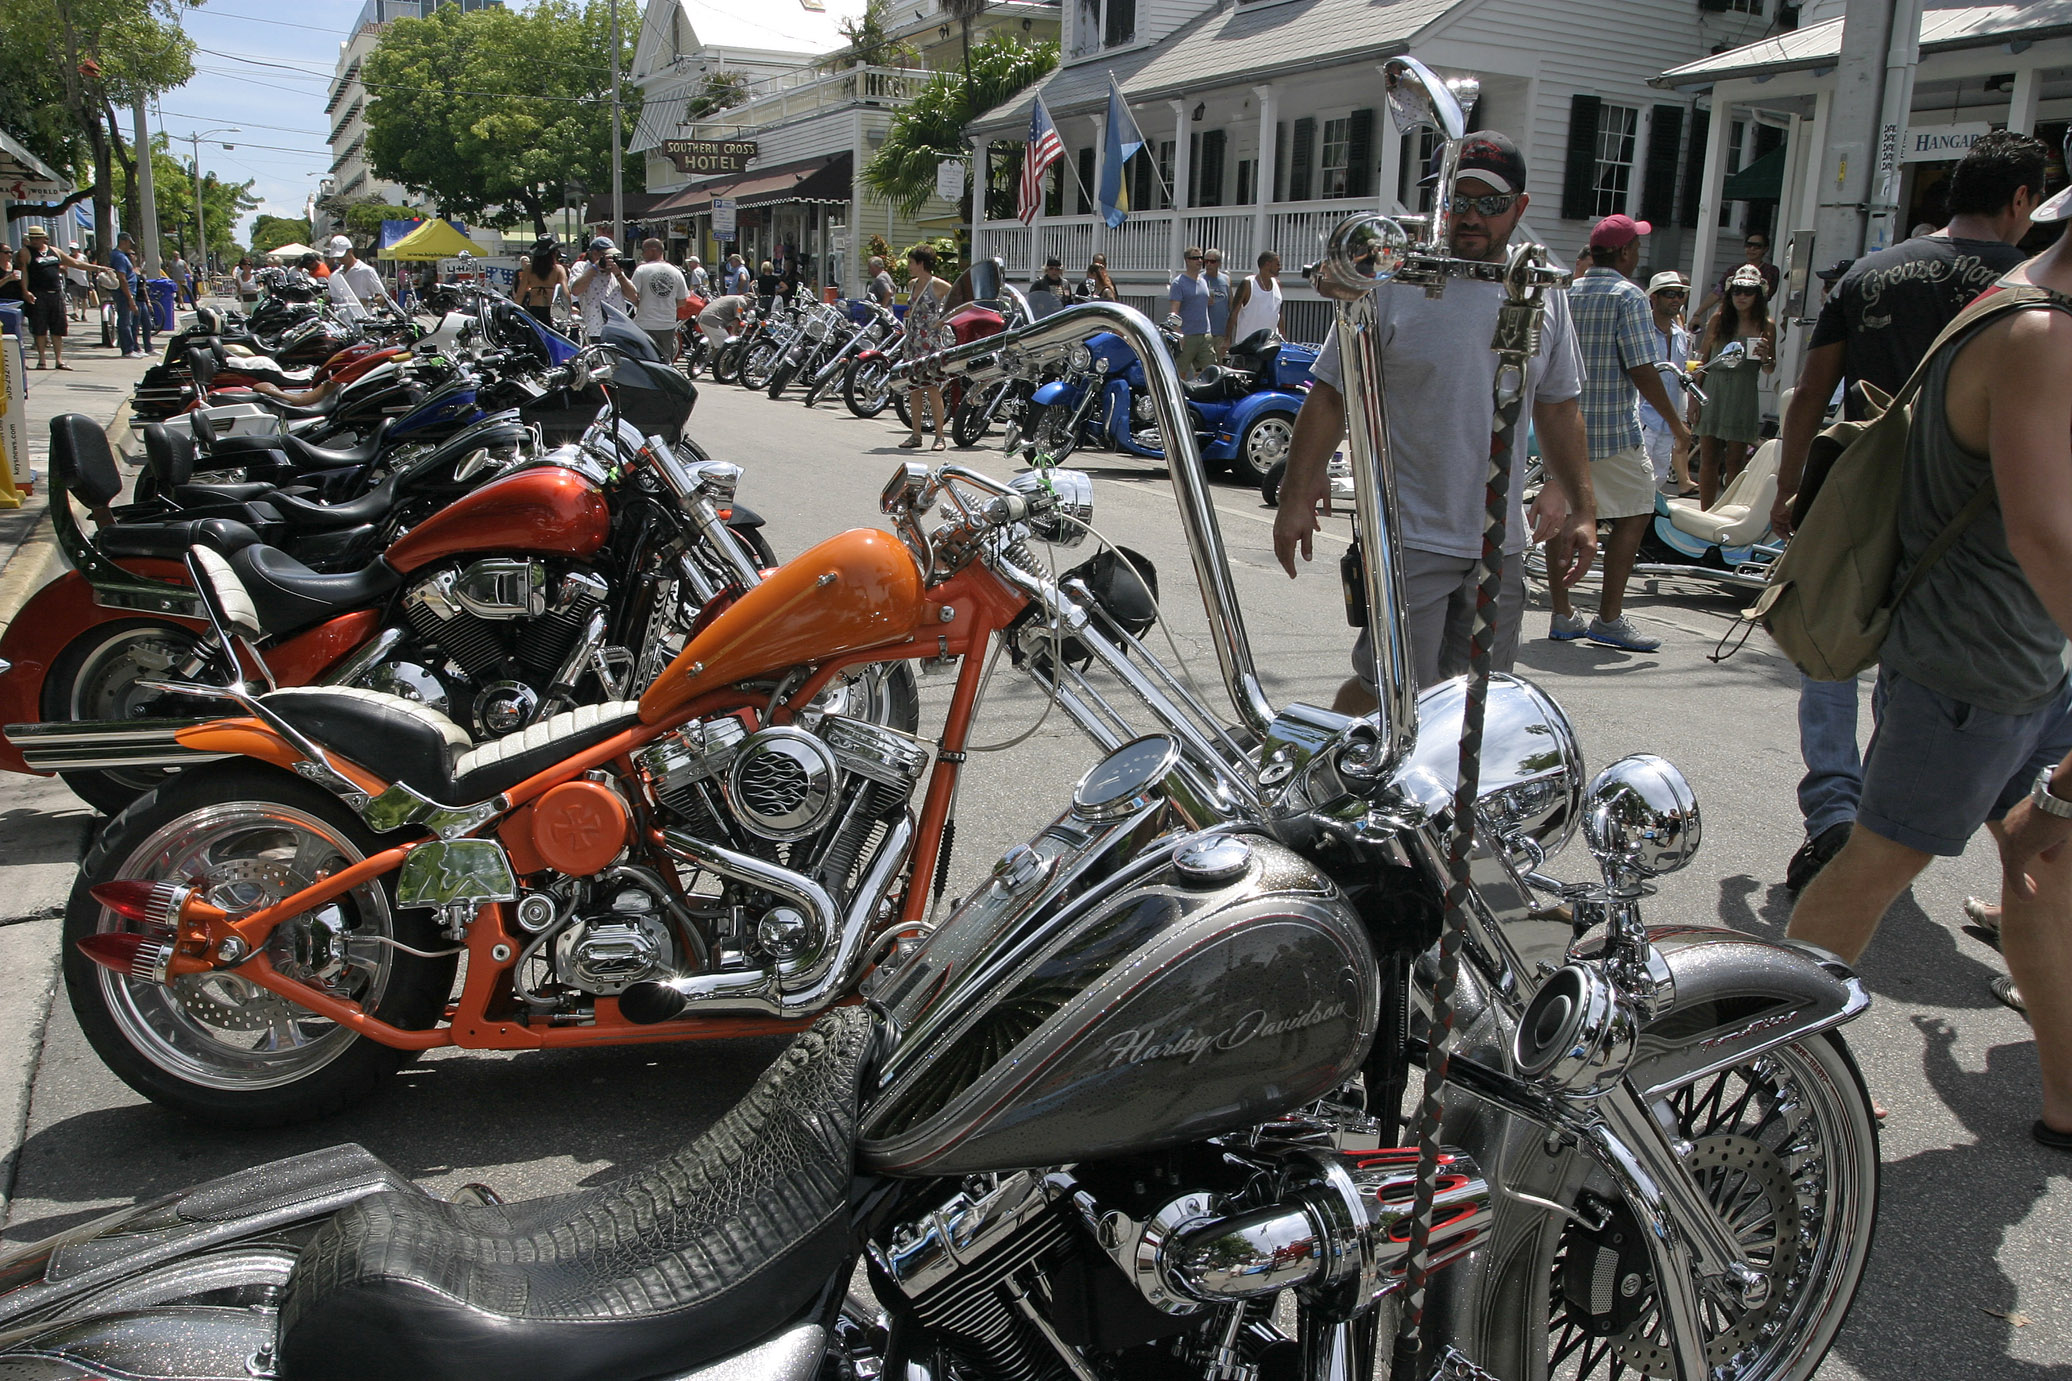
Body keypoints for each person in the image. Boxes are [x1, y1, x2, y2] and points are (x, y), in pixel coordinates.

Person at [1785, 202, 2072, 1153]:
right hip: (1975, 663)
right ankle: (1773, 1069)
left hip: (2028, 662)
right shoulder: (2033, 330)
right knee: (1873, 865)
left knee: (2041, 861)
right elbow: (2041, 529)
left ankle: (2066, 1098)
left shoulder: (2031, 313)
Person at [1770, 128, 2044, 895]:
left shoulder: (1869, 272)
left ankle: (1834, 809)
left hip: (1859, 499)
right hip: (1967, 521)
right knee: (1915, 675)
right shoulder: (2029, 289)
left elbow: (1809, 392)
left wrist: (1791, 487)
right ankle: (1885, 820)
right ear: (2020, 199)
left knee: (1826, 646)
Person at [1272, 130, 1597, 700]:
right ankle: (1336, 785)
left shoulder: (1541, 289)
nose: (1470, 217)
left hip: (1499, 541)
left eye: (1489, 204)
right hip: (1407, 533)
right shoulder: (1391, 280)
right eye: (1457, 201)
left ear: (1519, 207)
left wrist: (1580, 508)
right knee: (1388, 697)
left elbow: (1558, 404)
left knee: (1479, 703)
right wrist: (1295, 495)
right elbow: (1331, 393)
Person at [1547, 213, 1695, 653]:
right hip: (1612, 429)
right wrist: (1675, 422)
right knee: (1635, 513)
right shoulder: (1628, 297)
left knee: (1564, 516)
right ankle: (1608, 617)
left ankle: (1562, 612)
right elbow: (1642, 368)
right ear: (1627, 251)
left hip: (1562, 427)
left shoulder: (1566, 292)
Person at [1692, 264, 1775, 507]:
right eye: (1737, 290)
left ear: (1758, 295)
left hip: (1743, 391)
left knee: (1736, 460)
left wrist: (1766, 355)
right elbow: (1703, 361)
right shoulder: (1719, 319)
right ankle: (1706, 510)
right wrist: (1694, 398)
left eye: (1748, 291)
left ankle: (1729, 508)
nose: (1741, 296)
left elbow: (1770, 368)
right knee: (1709, 458)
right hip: (1714, 389)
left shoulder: (1765, 324)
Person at [1639, 270, 1694, 494]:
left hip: (1667, 423)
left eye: (1680, 295)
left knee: (1658, 480)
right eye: (1669, 294)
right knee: (1638, 481)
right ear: (1654, 297)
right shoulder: (1640, 331)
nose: (1676, 300)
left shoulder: (1681, 335)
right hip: (1643, 418)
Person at [900, 244, 951, 452]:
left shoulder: (938, 285)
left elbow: (964, 302)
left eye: (912, 263)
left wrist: (943, 320)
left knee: (932, 388)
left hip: (930, 342)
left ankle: (940, 437)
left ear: (921, 263)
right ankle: (916, 434)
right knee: (914, 388)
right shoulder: (912, 284)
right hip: (913, 341)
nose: (910, 266)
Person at [21, 226, 94, 369]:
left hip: (55, 292)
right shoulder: (26, 253)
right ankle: (42, 360)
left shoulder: (54, 251)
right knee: (40, 328)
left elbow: (76, 263)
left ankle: (59, 360)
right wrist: (25, 291)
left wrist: (98, 268)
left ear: (44, 238)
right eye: (32, 238)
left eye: (37, 238)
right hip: (38, 293)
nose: (34, 241)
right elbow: (24, 274)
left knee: (58, 328)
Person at [1692, 230, 1782, 324]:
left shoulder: (1771, 271)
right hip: (1730, 318)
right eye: (1748, 245)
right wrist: (1697, 314)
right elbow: (1717, 292)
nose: (1752, 249)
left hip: (1755, 319)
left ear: (1765, 249)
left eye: (1757, 246)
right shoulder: (1734, 270)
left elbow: (1765, 295)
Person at [630, 237, 689, 360]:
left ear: (652, 250)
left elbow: (632, 295)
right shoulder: (676, 272)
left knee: (645, 360)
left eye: (644, 251)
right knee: (664, 360)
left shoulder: (642, 270)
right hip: (668, 324)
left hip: (645, 323)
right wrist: (666, 306)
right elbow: (682, 301)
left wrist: (640, 304)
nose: (642, 255)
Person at [569, 236, 633, 338]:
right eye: (608, 256)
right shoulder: (581, 267)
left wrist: (619, 275)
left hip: (619, 331)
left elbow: (633, 297)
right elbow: (575, 290)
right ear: (595, 254)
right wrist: (596, 267)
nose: (611, 260)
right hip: (595, 331)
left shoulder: (615, 271)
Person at [1167, 246, 1215, 378]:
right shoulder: (1179, 283)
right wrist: (1178, 333)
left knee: (1209, 371)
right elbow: (1174, 312)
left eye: (1201, 258)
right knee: (1181, 371)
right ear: (1187, 260)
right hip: (1187, 335)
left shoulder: (1203, 281)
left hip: (1205, 334)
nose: (1199, 261)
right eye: (1195, 258)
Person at [1225, 250, 1284, 350]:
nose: (1280, 267)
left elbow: (1280, 315)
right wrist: (1226, 340)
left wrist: (1283, 338)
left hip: (1270, 345)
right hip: (1247, 344)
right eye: (1277, 264)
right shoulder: (1248, 284)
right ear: (1267, 264)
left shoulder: (1277, 284)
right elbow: (1234, 313)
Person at [324, 235, 394, 315]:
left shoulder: (366, 271)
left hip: (363, 319)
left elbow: (382, 298)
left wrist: (367, 302)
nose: (339, 259)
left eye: (342, 256)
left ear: (350, 251)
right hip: (343, 321)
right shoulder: (335, 275)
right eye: (337, 257)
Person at [514, 237, 567, 325]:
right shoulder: (559, 269)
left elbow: (520, 293)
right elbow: (565, 293)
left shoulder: (529, 269)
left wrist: (515, 310)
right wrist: (569, 310)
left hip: (535, 309)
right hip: (553, 310)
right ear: (553, 254)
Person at [1201, 249, 1232, 359]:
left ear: (1218, 263)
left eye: (1212, 262)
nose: (1208, 264)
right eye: (1206, 261)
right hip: (1204, 332)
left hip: (1221, 332)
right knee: (1205, 367)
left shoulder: (1226, 280)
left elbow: (1231, 306)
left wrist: (1228, 335)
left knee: (1220, 366)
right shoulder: (1200, 279)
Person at [64, 245, 90, 322]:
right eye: (71, 249)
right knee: (74, 298)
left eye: (74, 249)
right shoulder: (67, 257)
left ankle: (83, 314)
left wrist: (90, 280)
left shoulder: (83, 257)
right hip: (72, 280)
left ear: (77, 249)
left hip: (83, 280)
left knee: (83, 299)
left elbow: (88, 267)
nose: (72, 250)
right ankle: (76, 313)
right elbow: (65, 267)